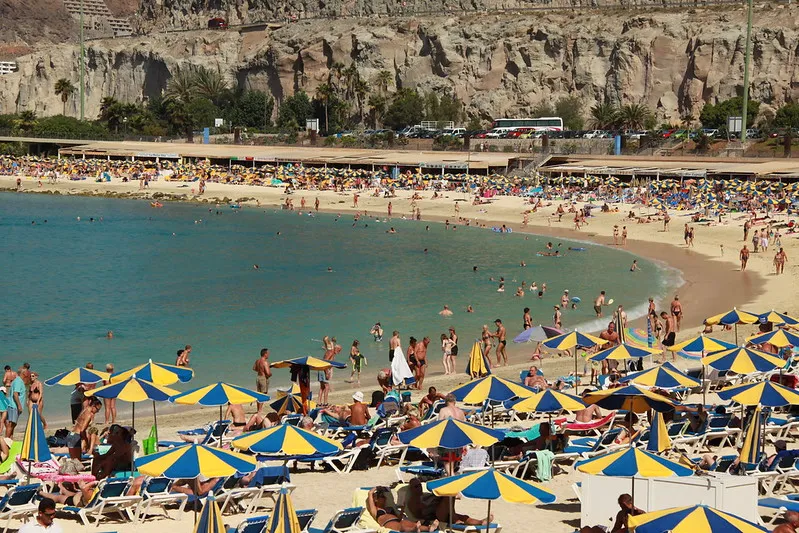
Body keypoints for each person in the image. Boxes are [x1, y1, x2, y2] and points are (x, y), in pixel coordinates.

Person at [366, 487, 439, 532]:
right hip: (388, 523)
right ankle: (413, 530)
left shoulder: (389, 508)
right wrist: (377, 488)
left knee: (413, 524)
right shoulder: (375, 510)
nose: (384, 498)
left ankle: (429, 528)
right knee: (401, 527)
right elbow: (370, 493)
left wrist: (402, 509)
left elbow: (399, 518)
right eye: (381, 497)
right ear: (376, 499)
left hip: (397, 520)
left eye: (384, 497)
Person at [6, 368, 27, 437]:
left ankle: (10, 439)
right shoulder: (18, 381)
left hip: (14, 406)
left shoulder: (19, 380)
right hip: (14, 406)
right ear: (23, 373)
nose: (28, 373)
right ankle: (6, 440)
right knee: (11, 424)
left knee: (13, 424)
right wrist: (19, 405)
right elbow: (15, 394)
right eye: (27, 372)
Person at [253, 348, 272, 414]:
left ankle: (258, 409)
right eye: (268, 353)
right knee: (263, 393)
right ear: (265, 354)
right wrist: (270, 374)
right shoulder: (265, 362)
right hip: (263, 378)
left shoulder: (257, 361)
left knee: (259, 394)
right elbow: (268, 373)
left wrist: (260, 371)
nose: (268, 355)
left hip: (258, 377)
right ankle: (260, 410)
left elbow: (254, 368)